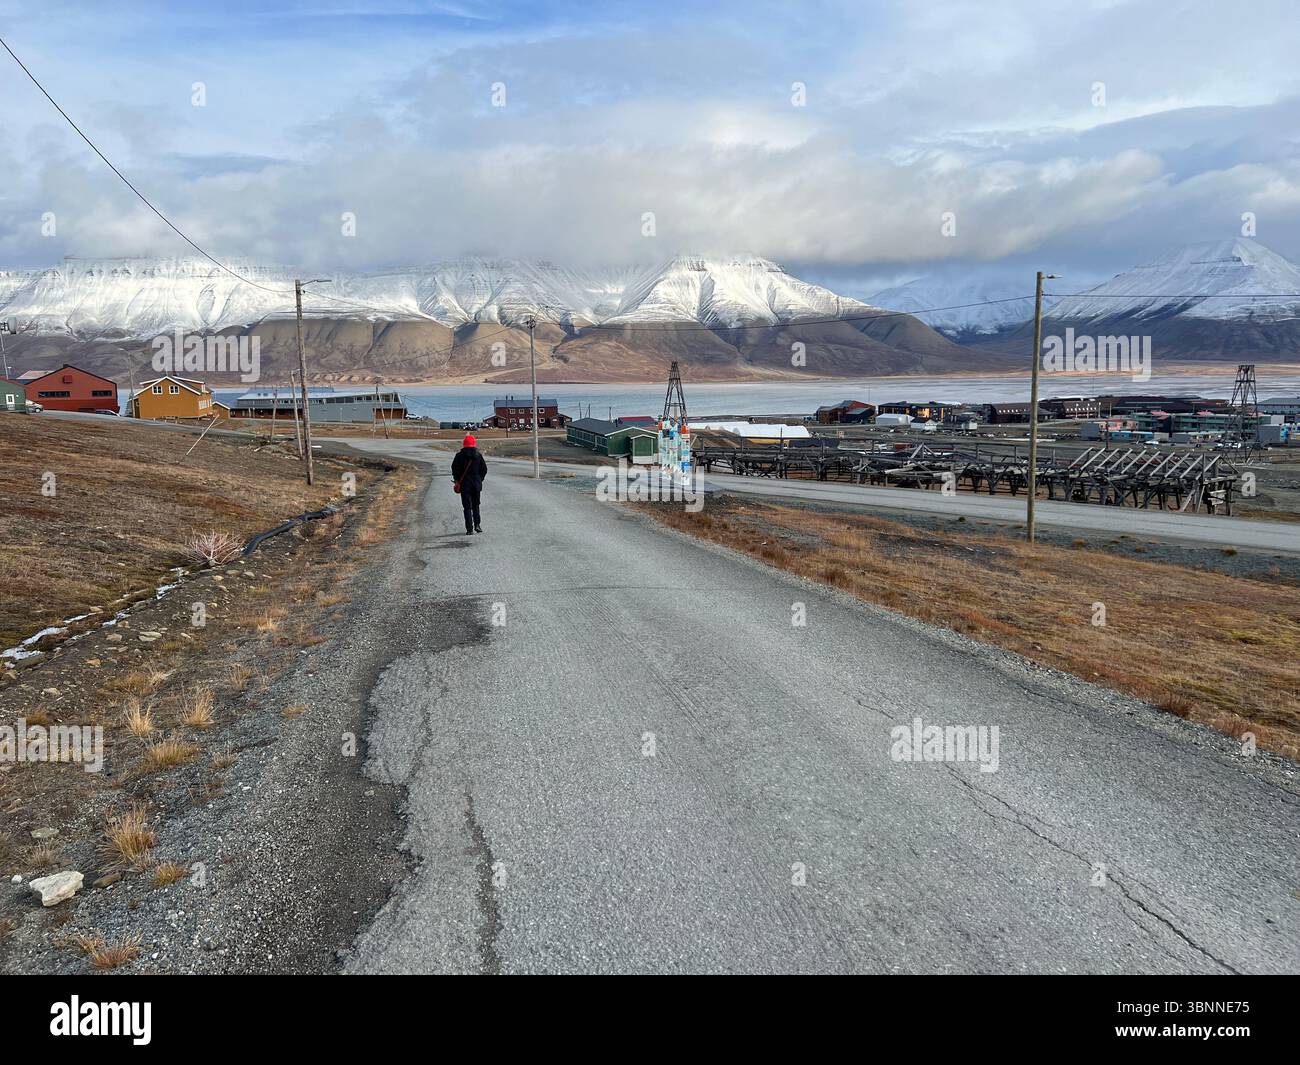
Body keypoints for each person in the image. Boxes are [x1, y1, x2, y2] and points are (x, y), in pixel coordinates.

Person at [452, 433, 487, 534]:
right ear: (474, 444)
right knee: (476, 505)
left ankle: (469, 529)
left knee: (467, 507)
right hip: (476, 484)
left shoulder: (459, 456)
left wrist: (457, 479)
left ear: (464, 444)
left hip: (464, 485)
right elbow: (484, 469)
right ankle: (477, 525)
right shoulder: (478, 456)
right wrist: (480, 479)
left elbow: (454, 469)